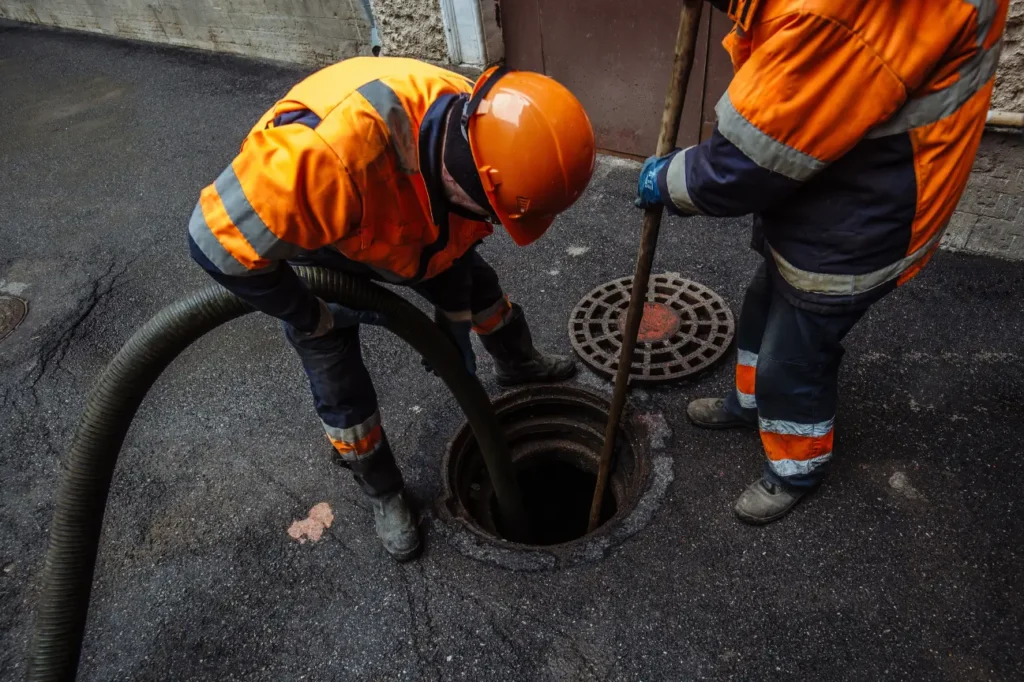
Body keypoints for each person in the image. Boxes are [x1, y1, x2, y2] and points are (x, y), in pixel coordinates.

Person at [188, 57, 596, 560]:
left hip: (414, 221)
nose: (497, 222)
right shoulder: (320, 159)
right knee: (336, 374)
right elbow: (211, 242)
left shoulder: (489, 128)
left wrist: (454, 325)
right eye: (498, 212)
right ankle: (383, 491)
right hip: (332, 240)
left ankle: (518, 362)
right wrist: (308, 312)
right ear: (471, 180)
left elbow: (460, 245)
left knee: (479, 290)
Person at [636, 0, 1009, 524]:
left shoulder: (842, 13)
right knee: (764, 298)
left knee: (794, 356)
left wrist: (669, 180)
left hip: (866, 211)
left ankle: (795, 468)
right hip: (831, 177)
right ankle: (749, 404)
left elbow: (743, 164)